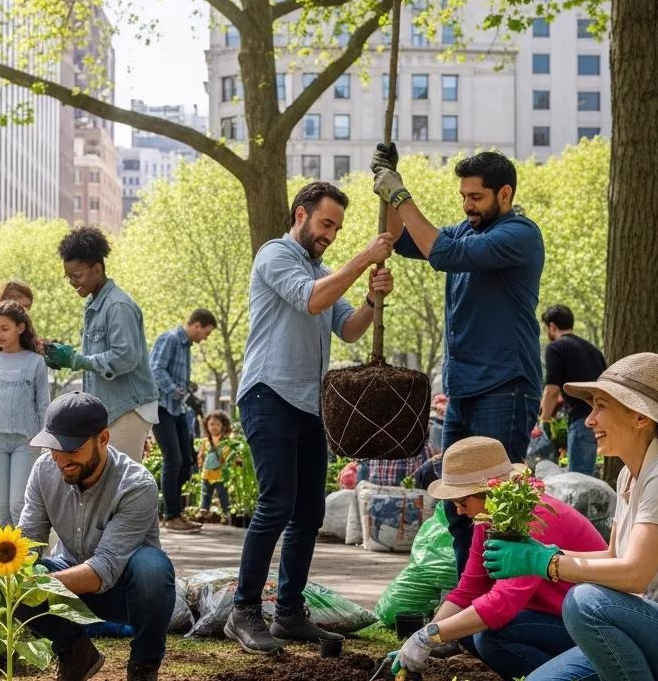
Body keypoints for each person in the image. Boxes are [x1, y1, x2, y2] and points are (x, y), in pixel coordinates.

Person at [226, 181, 394, 654]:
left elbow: (348, 328)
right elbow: (310, 300)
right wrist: (362, 259)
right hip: (268, 393)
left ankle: (289, 614)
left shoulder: (321, 269)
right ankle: (243, 612)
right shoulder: (274, 256)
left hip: (308, 402)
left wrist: (371, 299)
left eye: (338, 229)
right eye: (326, 224)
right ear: (300, 214)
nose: (331, 235)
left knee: (309, 512)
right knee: (276, 502)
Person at [373, 146, 544, 578]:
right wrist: (387, 184)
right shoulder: (463, 233)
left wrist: (401, 195)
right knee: (458, 505)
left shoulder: (519, 234)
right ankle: (469, 604)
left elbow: (443, 255)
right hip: (463, 392)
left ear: (504, 194)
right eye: (463, 196)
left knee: (495, 510)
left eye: (476, 197)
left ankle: (498, 611)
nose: (467, 205)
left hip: (506, 387)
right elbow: (399, 237)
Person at [483, 353, 658, 681]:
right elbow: (614, 556)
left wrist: (547, 563)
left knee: (585, 602)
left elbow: (635, 575)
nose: (589, 420)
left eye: (600, 407)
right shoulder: (630, 473)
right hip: (642, 630)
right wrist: (540, 551)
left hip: (652, 626)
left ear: (640, 417)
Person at [394, 436, 606, 681]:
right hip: (552, 617)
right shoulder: (490, 518)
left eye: (463, 502)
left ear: (490, 491)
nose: (459, 511)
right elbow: (467, 590)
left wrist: (430, 636)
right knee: (462, 629)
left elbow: (501, 604)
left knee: (490, 635)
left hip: (592, 625)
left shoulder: (532, 517)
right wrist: (422, 636)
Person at [16, 392, 175, 681]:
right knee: (8, 577)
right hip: (72, 577)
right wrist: (12, 580)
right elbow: (29, 540)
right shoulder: (44, 470)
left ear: (103, 439)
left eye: (72, 449)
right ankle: (75, 653)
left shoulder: (136, 485)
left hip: (128, 593)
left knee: (153, 568)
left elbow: (103, 568)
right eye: (54, 448)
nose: (61, 459)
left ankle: (143, 669)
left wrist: (36, 586)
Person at [43, 225, 158, 463]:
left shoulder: (117, 305)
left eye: (77, 275)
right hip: (111, 411)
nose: (72, 282)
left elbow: (125, 358)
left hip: (127, 409)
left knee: (123, 487)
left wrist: (76, 360)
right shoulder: (96, 304)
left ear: (97, 269)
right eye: (68, 277)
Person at [0, 299, 50, 525]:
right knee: (0, 508)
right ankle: (4, 557)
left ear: (20, 328)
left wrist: (46, 441)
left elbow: (43, 406)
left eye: (4, 328)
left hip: (26, 442)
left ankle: (26, 556)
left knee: (19, 504)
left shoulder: (36, 362)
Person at [149, 309, 218, 532]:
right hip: (161, 407)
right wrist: (182, 393)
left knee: (187, 463)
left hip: (177, 409)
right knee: (173, 460)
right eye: (206, 332)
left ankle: (175, 512)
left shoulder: (186, 347)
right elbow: (156, 371)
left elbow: (175, 379)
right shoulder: (169, 339)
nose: (205, 338)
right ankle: (171, 516)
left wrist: (189, 388)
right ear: (196, 325)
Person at [539, 304, 606, 477]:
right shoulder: (593, 350)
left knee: (578, 480)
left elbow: (552, 389)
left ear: (552, 326)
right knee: (589, 475)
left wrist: (544, 420)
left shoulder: (556, 348)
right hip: (603, 419)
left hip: (582, 421)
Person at [195, 410, 239, 524]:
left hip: (221, 476)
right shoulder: (205, 441)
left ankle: (226, 515)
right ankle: (203, 514)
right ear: (207, 426)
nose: (214, 427)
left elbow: (231, 456)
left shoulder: (226, 441)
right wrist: (200, 462)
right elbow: (201, 455)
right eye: (211, 424)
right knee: (205, 496)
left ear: (223, 426)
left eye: (217, 424)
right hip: (207, 475)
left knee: (223, 496)